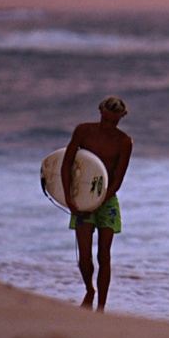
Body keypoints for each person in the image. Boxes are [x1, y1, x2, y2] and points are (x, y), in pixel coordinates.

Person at [61, 96, 133, 312]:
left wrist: (99, 201)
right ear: (100, 113)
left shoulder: (124, 142)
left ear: (121, 119)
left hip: (107, 200)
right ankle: (89, 290)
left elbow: (118, 181)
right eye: (106, 119)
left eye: (115, 121)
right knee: (84, 256)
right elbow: (66, 165)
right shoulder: (83, 131)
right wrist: (68, 197)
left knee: (104, 255)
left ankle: (101, 308)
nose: (110, 125)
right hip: (82, 199)